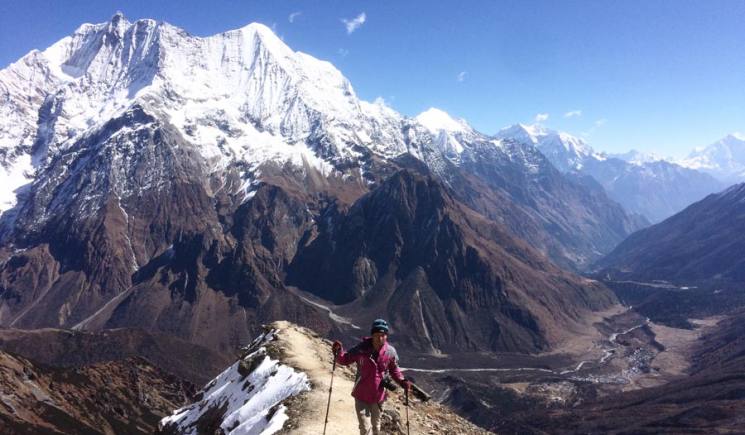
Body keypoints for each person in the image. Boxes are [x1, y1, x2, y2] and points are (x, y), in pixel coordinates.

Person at [332, 318, 411, 435]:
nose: (380, 338)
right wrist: (338, 352)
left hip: (379, 397)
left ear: (386, 336)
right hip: (361, 396)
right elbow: (345, 359)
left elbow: (394, 370)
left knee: (376, 428)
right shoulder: (361, 349)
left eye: (383, 335)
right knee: (365, 429)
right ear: (372, 335)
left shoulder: (390, 352)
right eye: (377, 335)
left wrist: (402, 381)